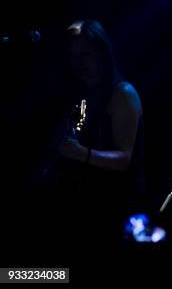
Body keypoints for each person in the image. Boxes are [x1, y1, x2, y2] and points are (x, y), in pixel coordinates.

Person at [42, 20, 145, 278]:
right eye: (74, 57)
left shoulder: (123, 93)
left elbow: (124, 158)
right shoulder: (84, 97)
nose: (79, 64)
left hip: (117, 213)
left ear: (101, 52)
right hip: (86, 215)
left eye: (85, 54)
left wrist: (80, 153)